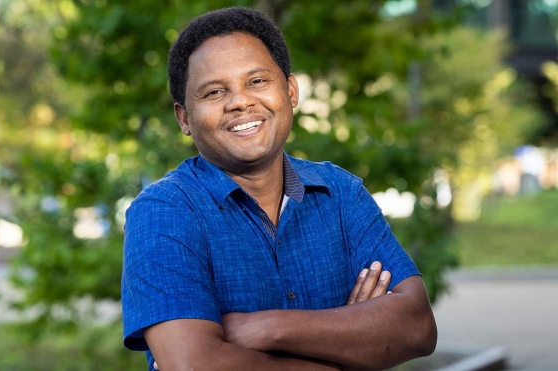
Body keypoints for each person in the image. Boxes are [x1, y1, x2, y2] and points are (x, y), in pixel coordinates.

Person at [121, 6, 437, 370]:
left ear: (290, 90)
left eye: (257, 81)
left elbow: (417, 326)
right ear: (184, 118)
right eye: (214, 92)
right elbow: (193, 365)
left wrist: (267, 328)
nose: (239, 101)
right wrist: (346, 343)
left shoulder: (342, 194)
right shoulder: (164, 211)